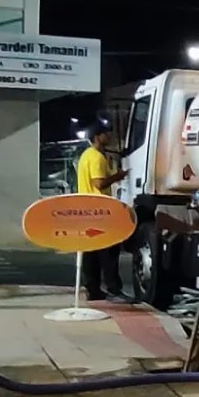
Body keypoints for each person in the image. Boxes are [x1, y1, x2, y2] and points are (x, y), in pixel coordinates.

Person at [77, 120, 127, 301]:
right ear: (98, 137)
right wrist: (118, 176)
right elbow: (99, 183)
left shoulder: (86, 155)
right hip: (99, 210)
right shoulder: (97, 158)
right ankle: (114, 289)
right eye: (106, 134)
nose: (110, 136)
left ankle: (93, 289)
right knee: (109, 252)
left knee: (91, 252)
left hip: (87, 209)